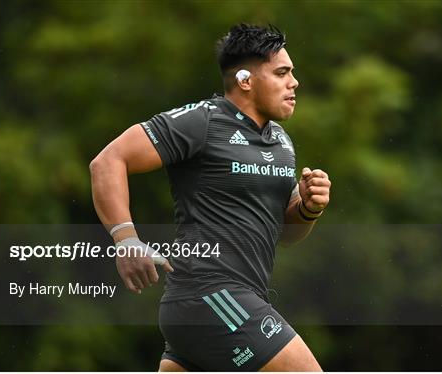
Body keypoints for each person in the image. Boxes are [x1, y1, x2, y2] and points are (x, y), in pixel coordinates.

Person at [90, 23, 331, 371]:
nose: (294, 83)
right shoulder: (202, 121)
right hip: (212, 295)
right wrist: (125, 239)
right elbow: (109, 161)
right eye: (282, 73)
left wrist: (307, 208)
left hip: (208, 306)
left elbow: (285, 235)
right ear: (246, 80)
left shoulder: (281, 141)